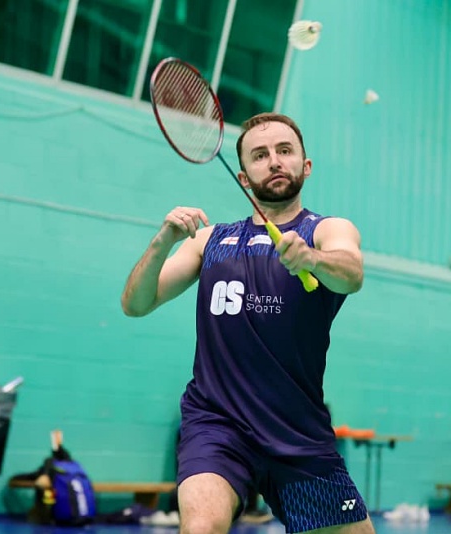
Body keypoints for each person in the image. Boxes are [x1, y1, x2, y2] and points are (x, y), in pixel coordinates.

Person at [121, 113, 371, 534]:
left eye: (284, 150)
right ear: (243, 178)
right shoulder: (211, 241)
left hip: (296, 433)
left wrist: (311, 258)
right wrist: (161, 241)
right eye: (260, 155)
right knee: (201, 528)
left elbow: (351, 274)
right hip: (217, 426)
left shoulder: (326, 230)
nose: (274, 161)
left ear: (306, 165)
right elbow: (135, 304)